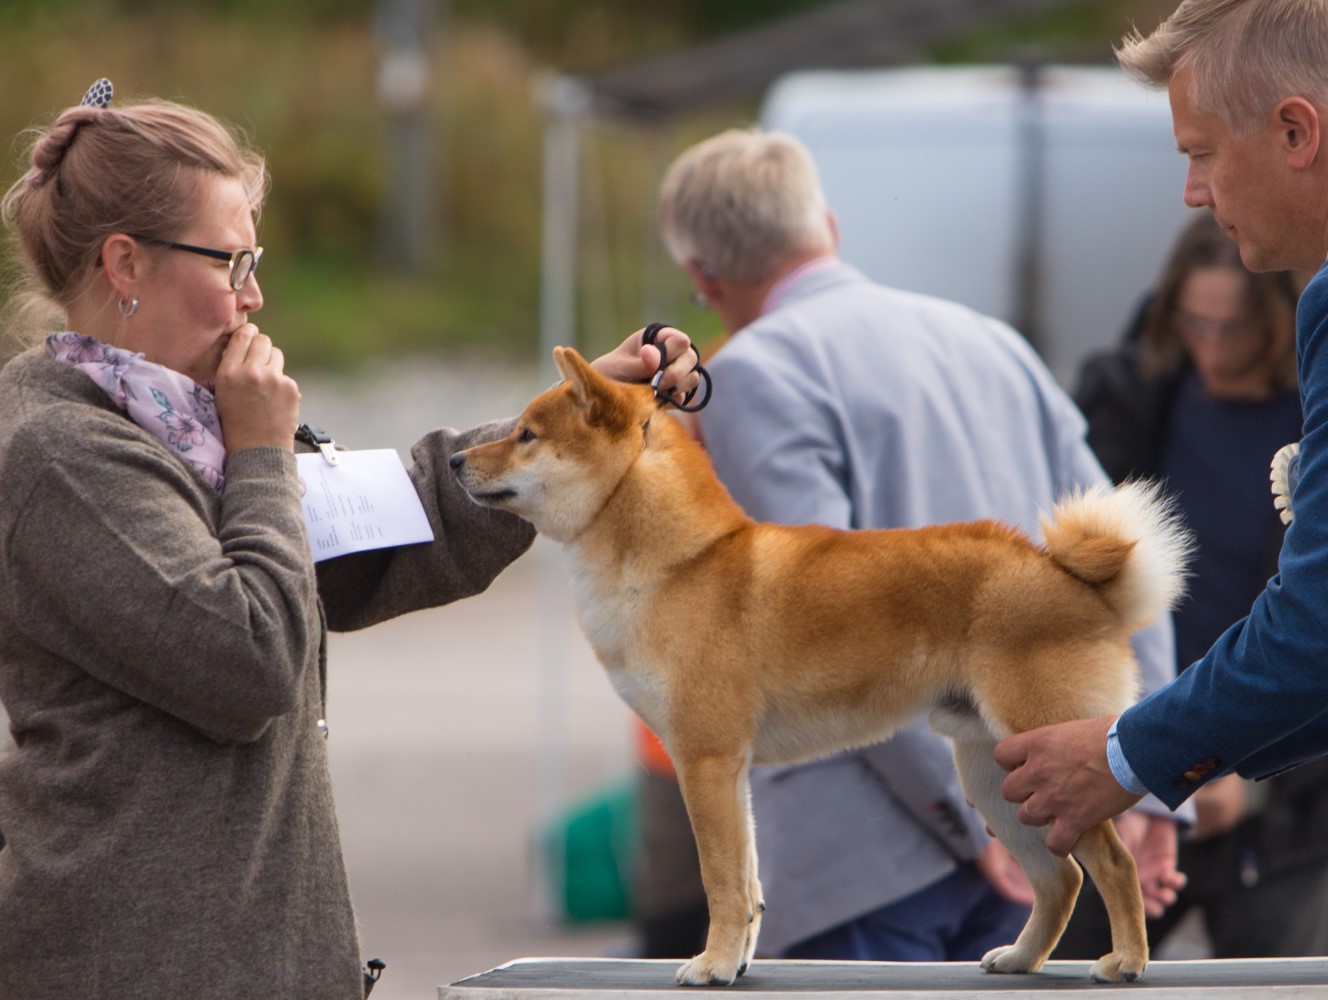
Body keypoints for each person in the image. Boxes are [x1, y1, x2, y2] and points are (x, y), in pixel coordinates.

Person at [0, 81, 701, 1000]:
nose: (255, 296)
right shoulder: (61, 451)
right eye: (231, 261)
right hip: (139, 960)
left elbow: (373, 521)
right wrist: (257, 454)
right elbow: (246, 661)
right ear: (125, 264)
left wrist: (571, 424)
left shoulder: (181, 421)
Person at [992, 3, 1328, 996]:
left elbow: (1322, 628)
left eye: (1203, 153)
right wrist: (1188, 756)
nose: (1191, 193)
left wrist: (1126, 753)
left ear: (1297, 131)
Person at [654, 127, 1187, 964]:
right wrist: (1144, 786)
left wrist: (971, 822)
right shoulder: (993, 340)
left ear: (700, 276)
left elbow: (825, 621)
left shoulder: (754, 372)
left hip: (872, 861)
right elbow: (1121, 577)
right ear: (825, 227)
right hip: (1045, 805)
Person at [1053, 209, 1328, 960]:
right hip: (1138, 768)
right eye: (1192, 322)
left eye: (1231, 330)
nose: (1209, 347)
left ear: (1279, 320)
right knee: (1071, 967)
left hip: (1290, 807)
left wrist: (1244, 770)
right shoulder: (1137, 399)